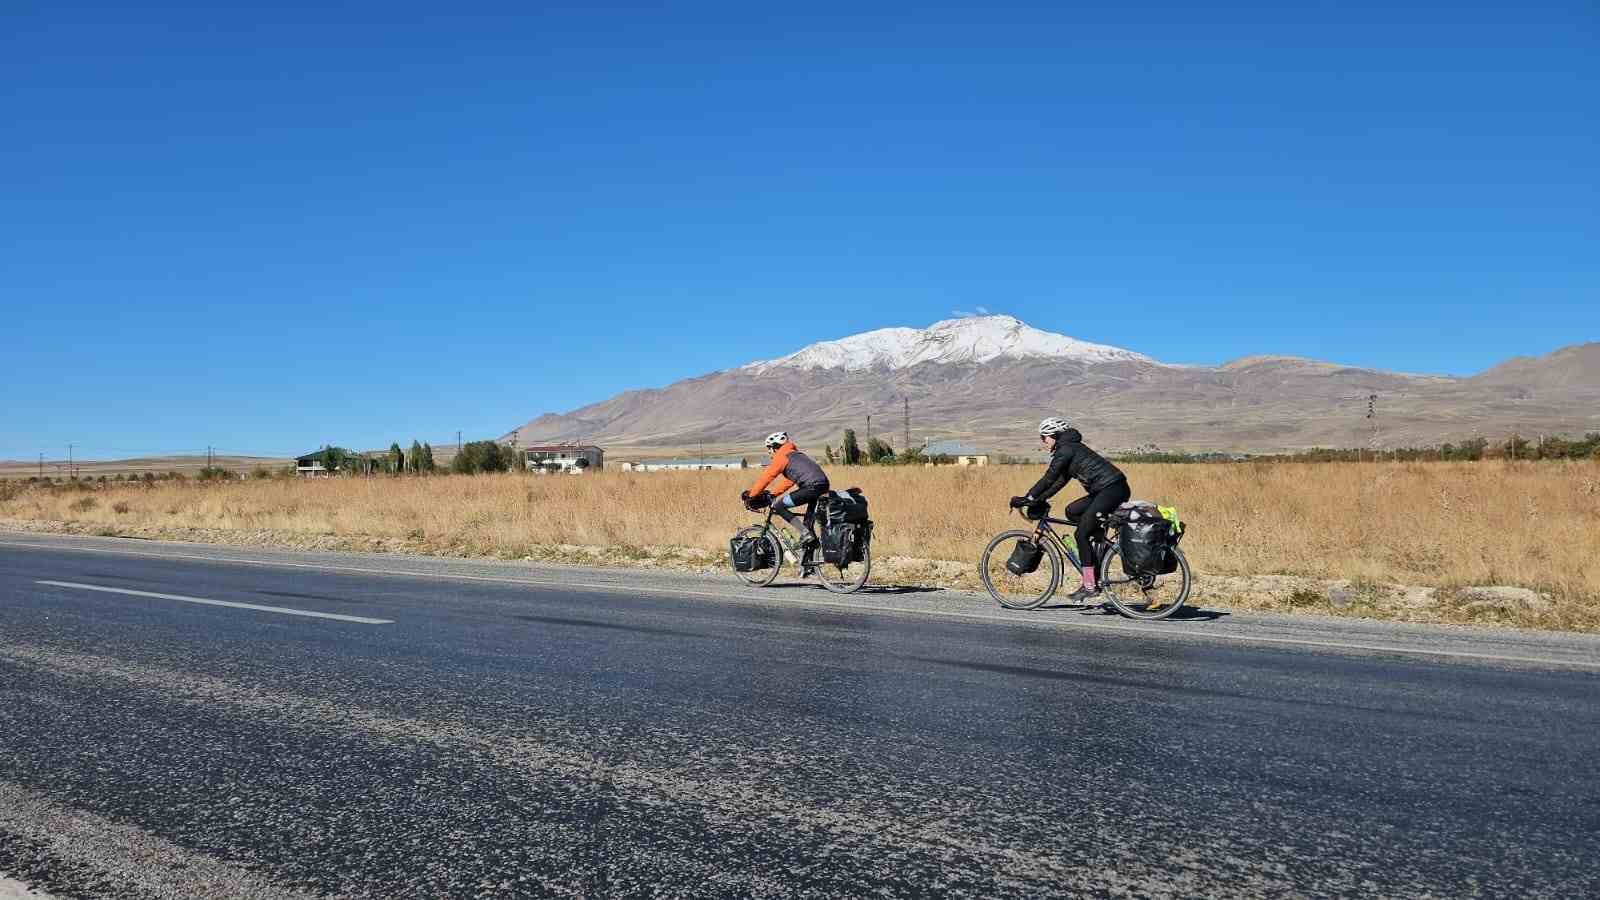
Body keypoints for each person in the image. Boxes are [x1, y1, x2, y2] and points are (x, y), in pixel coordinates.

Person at [1010, 417, 1131, 602]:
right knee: (1072, 511)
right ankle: (1099, 549)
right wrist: (1038, 499)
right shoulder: (1069, 448)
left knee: (1081, 535)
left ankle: (1090, 585)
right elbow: (1059, 482)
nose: (1043, 442)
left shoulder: (1066, 450)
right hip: (1107, 490)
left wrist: (1029, 497)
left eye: (1044, 438)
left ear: (1054, 435)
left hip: (1112, 490)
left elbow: (1049, 478)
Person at [741, 431, 831, 573]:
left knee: (778, 506)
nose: (769, 452)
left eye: (769, 449)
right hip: (822, 485)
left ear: (775, 447)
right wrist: (773, 493)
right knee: (808, 526)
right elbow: (789, 480)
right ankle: (808, 565)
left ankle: (806, 535)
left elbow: (766, 477)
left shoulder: (781, 457)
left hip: (811, 487)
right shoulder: (796, 455)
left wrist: (751, 495)